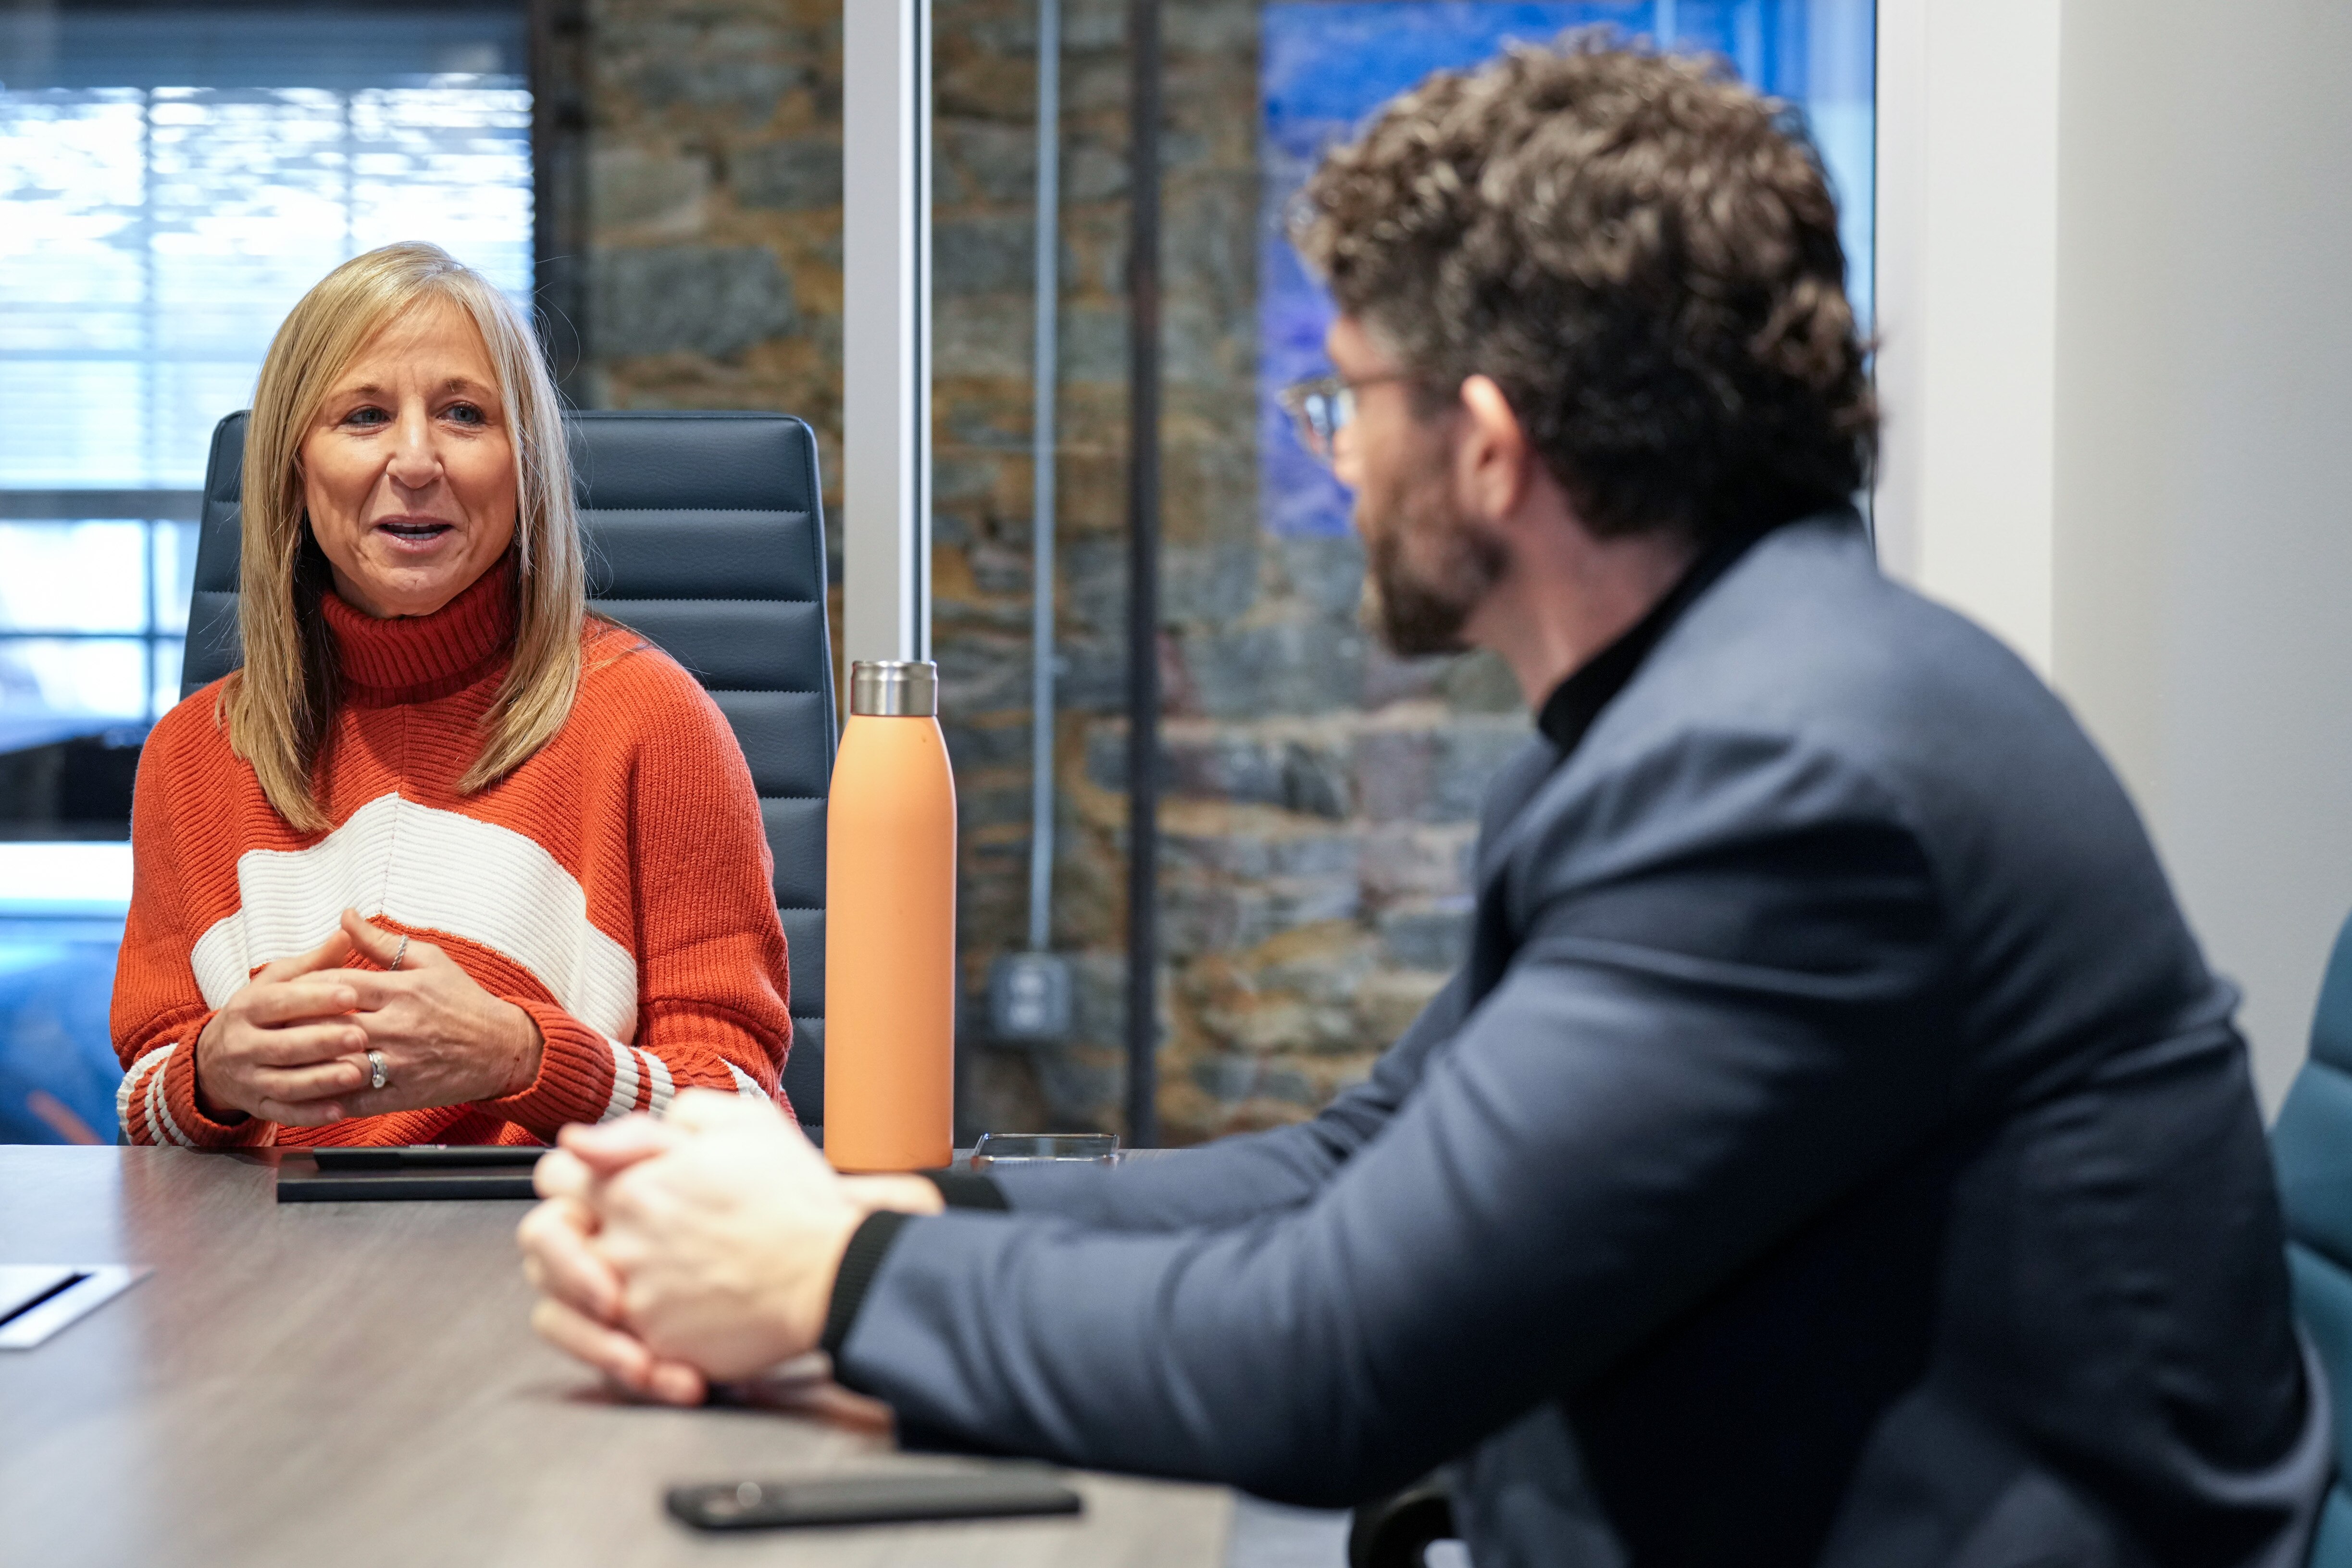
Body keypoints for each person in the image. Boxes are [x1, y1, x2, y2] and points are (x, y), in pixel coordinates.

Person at [517, 40, 2327, 1567]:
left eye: (1345, 394)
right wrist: (892, 1204)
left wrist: (826, 1279)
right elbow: (1355, 1167)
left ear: (1484, 442)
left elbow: (1337, 1368)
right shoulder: (1715, 708)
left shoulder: (1786, 782)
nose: (1338, 445)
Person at [113, 242, 791, 1148]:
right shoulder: (194, 754)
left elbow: (745, 1113)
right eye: (363, 415)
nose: (417, 459)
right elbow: (146, 1105)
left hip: (548, 1254)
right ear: (292, 468)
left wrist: (524, 1057)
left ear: (526, 468)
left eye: (465, 414)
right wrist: (211, 1074)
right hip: (275, 1269)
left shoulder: (652, 720)